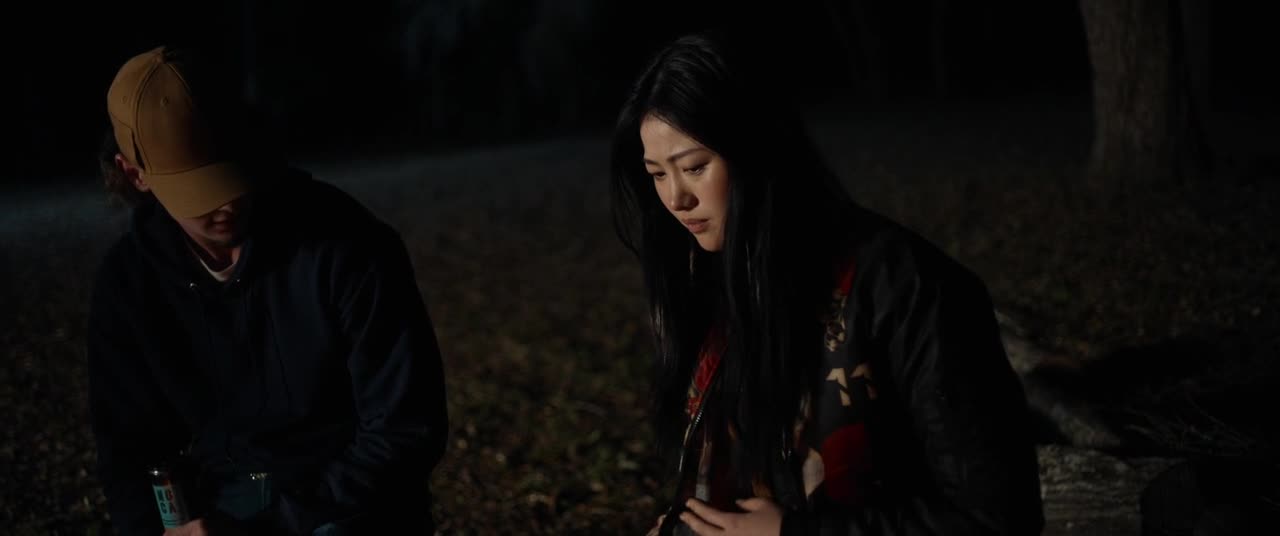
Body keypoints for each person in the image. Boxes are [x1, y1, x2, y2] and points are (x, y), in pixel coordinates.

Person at [610, 31, 1045, 535]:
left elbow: (997, 517)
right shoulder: (710, 282)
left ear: (756, 151)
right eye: (657, 174)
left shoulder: (908, 287)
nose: (676, 199)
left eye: (694, 167)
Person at [87, 45, 448, 535]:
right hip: (234, 490)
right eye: (200, 188)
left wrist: (273, 527)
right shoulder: (128, 286)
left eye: (235, 169)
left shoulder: (347, 247)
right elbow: (128, 450)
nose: (229, 202)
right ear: (135, 174)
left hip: (348, 493)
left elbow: (405, 428)